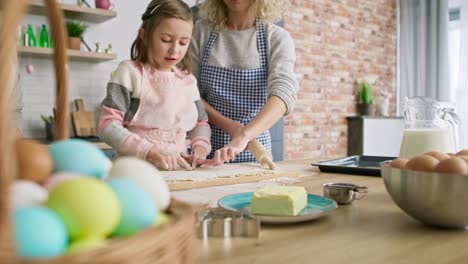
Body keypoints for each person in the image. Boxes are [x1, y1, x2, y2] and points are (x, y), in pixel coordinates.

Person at [98, 0, 211, 171]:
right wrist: (148, 151)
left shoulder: (188, 81)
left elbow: (200, 124)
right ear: (144, 35)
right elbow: (107, 125)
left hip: (177, 172)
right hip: (135, 169)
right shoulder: (129, 73)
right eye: (166, 40)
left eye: (183, 42)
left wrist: (200, 149)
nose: (175, 50)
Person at [191, 0, 298, 166]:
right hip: (203, 148)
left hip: (255, 153)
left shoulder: (275, 38)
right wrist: (231, 127)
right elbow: (189, 93)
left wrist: (244, 136)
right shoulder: (200, 32)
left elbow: (283, 95)